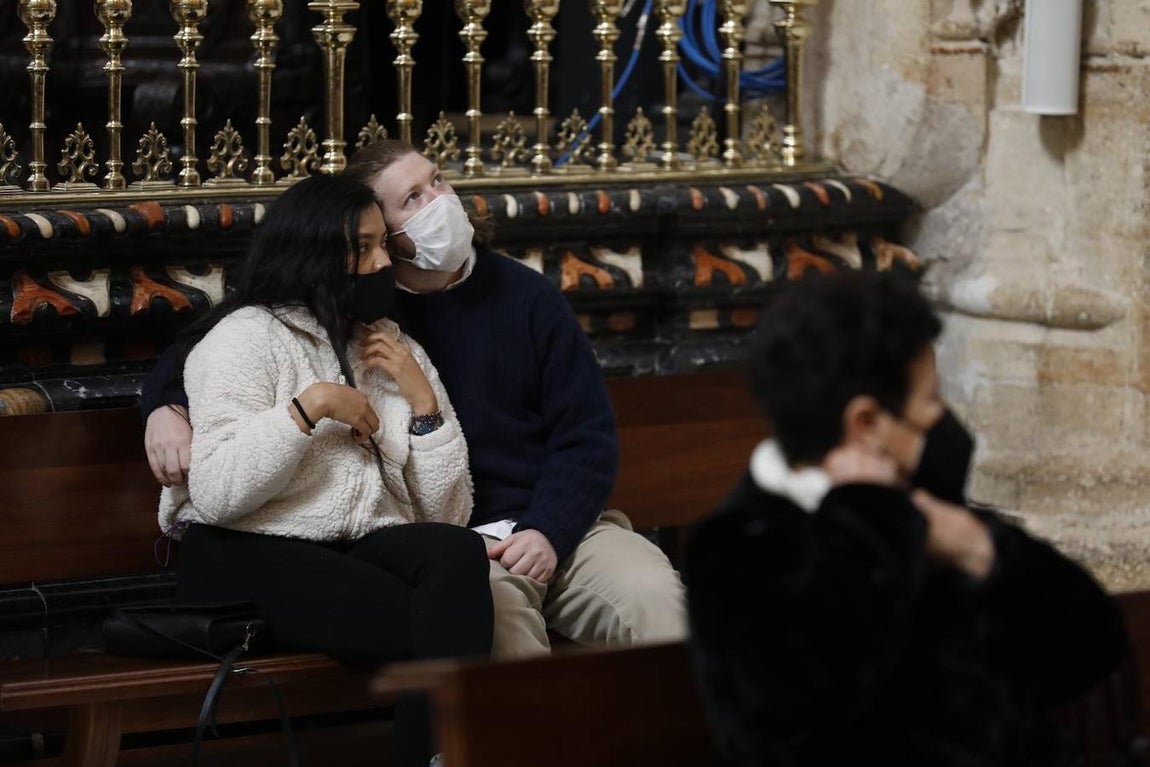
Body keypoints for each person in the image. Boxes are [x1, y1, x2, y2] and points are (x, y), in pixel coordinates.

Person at [142, 140, 686, 657]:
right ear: (375, 231)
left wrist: (548, 530)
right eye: (413, 199)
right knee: (493, 624)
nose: (441, 202)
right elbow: (222, 336)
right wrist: (164, 407)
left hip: (557, 526)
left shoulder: (528, 297)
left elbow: (587, 438)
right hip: (458, 546)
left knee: (658, 602)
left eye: (438, 181)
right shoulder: (360, 303)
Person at [683, 270, 1128, 767]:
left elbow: (1094, 647)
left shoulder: (931, 506)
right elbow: (819, 702)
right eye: (930, 400)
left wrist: (981, 548)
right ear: (867, 424)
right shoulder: (738, 548)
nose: (943, 418)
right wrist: (872, 514)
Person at [155, 173, 493, 767]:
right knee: (436, 627)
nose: (383, 260)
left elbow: (448, 514)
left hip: (348, 548)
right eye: (362, 249)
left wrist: (424, 406)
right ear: (312, 256)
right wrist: (308, 408)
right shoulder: (242, 339)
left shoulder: (388, 343)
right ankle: (449, 755)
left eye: (382, 244)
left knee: (456, 555)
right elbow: (215, 494)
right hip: (242, 547)